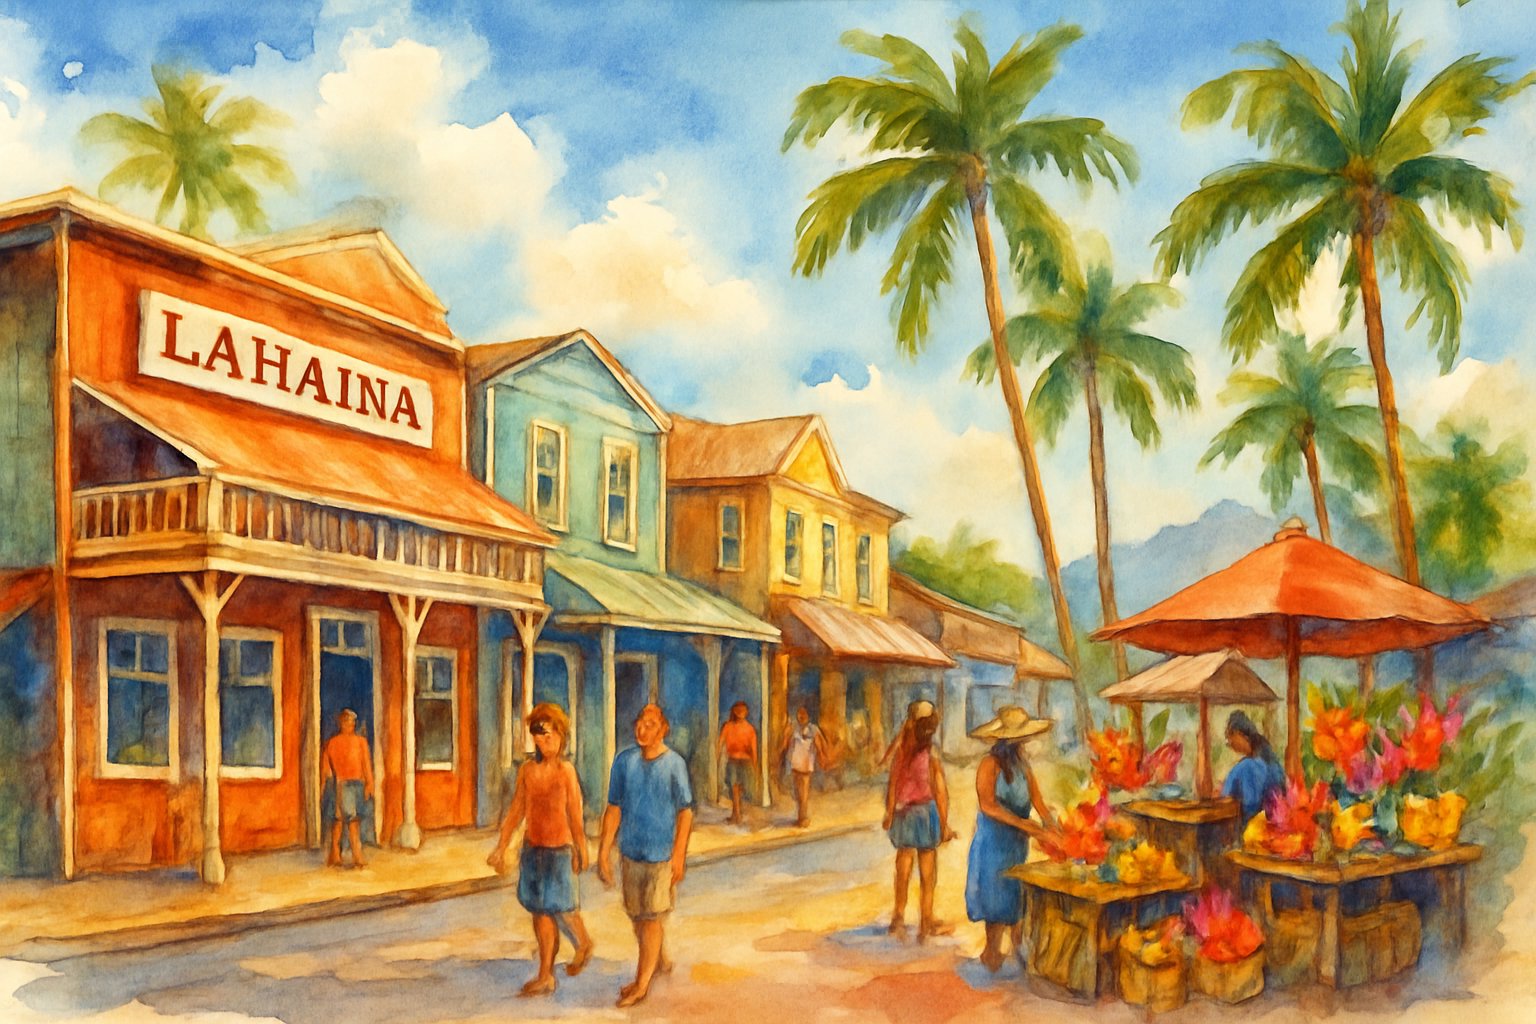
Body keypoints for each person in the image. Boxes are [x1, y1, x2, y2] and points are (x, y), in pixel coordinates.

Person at [487, 703, 595, 997]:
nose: (543, 742)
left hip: (560, 851)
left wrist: (581, 847)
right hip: (533, 851)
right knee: (540, 913)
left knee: (565, 910)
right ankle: (546, 975)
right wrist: (501, 846)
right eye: (538, 736)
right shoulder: (527, 771)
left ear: (561, 736)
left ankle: (584, 942)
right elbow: (516, 810)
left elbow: (575, 813)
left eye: (549, 735)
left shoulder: (566, 772)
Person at [598, 703, 694, 1009]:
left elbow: (685, 812)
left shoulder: (674, 764)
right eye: (640, 722)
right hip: (631, 852)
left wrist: (678, 855)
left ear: (664, 729)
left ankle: (641, 983)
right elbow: (613, 809)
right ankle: (659, 957)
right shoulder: (624, 761)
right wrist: (603, 852)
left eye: (650, 724)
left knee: (651, 917)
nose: (642, 728)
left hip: (660, 856)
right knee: (638, 915)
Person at [964, 706, 1055, 972]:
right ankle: (992, 956)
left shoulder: (1023, 767)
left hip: (1016, 844)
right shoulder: (988, 765)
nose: (1021, 744)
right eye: (1017, 740)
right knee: (995, 899)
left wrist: (1053, 829)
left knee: (1015, 897)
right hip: (993, 842)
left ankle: (1018, 959)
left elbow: (1038, 802)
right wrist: (1026, 825)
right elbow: (988, 805)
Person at [884, 707, 956, 941]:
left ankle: (898, 917)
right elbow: (941, 792)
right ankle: (925, 923)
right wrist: (944, 824)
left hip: (904, 814)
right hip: (926, 814)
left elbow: (893, 784)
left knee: (902, 870)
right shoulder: (931, 756)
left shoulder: (901, 753)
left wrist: (888, 812)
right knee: (928, 874)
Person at [322, 709, 373, 868]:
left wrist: (369, 783)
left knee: (346, 820)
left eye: (351, 721)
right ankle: (354, 856)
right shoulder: (333, 742)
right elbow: (325, 767)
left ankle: (336, 855)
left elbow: (366, 764)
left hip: (357, 784)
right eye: (346, 721)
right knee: (347, 821)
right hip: (341, 784)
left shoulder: (361, 742)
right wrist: (327, 784)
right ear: (340, 723)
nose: (349, 724)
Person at [1222, 710, 1286, 820]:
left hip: (1252, 829)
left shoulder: (1246, 767)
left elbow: (1246, 804)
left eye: (1230, 735)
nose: (1229, 742)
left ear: (1239, 734)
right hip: (1276, 824)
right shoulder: (1272, 761)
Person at [777, 706, 831, 828]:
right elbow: (785, 744)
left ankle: (803, 817)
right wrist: (785, 736)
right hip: (795, 763)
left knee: (804, 792)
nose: (801, 716)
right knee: (798, 791)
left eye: (804, 714)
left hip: (806, 763)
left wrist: (823, 757)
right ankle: (800, 817)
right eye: (799, 713)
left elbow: (821, 744)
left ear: (808, 715)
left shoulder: (813, 729)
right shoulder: (793, 728)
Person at [717, 701, 758, 825]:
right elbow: (720, 743)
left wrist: (755, 765)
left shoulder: (750, 729)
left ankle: (736, 814)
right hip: (733, 761)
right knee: (734, 788)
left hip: (745, 762)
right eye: (738, 710)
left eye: (743, 710)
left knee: (740, 789)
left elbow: (754, 748)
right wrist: (717, 758)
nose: (741, 712)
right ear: (734, 711)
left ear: (747, 712)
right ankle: (737, 816)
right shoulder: (728, 726)